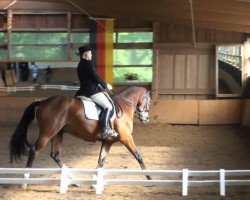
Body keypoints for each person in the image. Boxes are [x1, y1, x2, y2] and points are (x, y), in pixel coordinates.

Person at [75, 45, 118, 141]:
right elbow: (96, 77)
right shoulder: (88, 63)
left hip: (82, 91)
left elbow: (89, 79)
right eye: (90, 53)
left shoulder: (79, 65)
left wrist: (100, 85)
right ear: (86, 54)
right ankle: (104, 130)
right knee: (108, 106)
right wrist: (106, 85)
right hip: (92, 92)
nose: (91, 55)